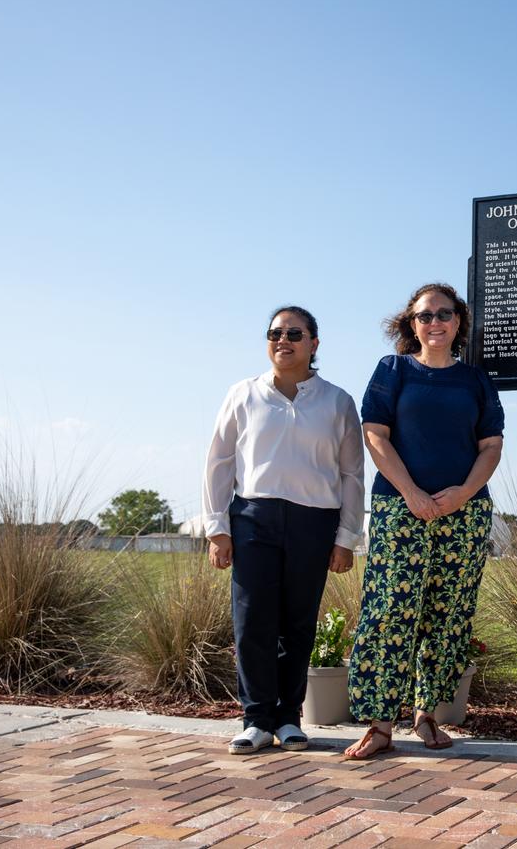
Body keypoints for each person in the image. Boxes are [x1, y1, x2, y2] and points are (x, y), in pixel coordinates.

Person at [343, 282, 504, 759]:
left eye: (444, 314)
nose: (435, 322)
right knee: (390, 610)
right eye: (424, 315)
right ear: (411, 325)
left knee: (447, 614)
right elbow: (375, 436)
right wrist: (412, 493)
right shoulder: (392, 370)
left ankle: (427, 714)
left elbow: (491, 447)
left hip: (466, 514)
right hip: (400, 509)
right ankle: (378, 725)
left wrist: (462, 494)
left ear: (459, 323)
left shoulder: (475, 380)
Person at [203, 305, 366, 755]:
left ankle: (289, 718)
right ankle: (255, 718)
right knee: (252, 618)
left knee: (297, 622)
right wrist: (218, 528)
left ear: (314, 343)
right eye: (275, 332)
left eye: (295, 332)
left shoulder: (337, 401)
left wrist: (346, 537)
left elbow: (352, 473)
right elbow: (218, 463)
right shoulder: (243, 394)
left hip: (315, 521)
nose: (284, 340)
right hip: (254, 517)